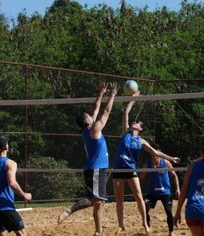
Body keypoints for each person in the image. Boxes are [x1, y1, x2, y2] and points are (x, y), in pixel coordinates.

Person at [112, 94, 180, 236]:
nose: (134, 122)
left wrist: (171, 158)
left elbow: (156, 152)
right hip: (118, 168)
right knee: (119, 198)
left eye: (137, 122)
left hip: (130, 169)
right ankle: (121, 225)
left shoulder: (141, 141)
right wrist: (134, 98)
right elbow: (125, 113)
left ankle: (145, 224)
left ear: (140, 128)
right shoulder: (126, 133)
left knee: (138, 196)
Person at [57, 82, 118, 236]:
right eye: (90, 116)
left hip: (95, 168)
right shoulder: (95, 129)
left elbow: (96, 108)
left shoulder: (88, 129)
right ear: (89, 121)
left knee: (99, 202)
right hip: (96, 169)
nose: (92, 116)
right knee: (95, 200)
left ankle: (98, 231)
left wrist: (101, 93)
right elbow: (107, 110)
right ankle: (70, 210)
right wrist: (112, 95)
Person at [139, 147, 180, 236]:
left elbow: (174, 176)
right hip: (151, 193)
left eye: (157, 155)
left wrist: (177, 188)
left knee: (169, 211)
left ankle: (171, 231)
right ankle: (148, 226)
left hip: (165, 192)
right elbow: (141, 178)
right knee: (144, 209)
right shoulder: (147, 164)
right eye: (153, 155)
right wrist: (138, 192)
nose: (155, 157)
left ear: (160, 155)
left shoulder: (166, 163)